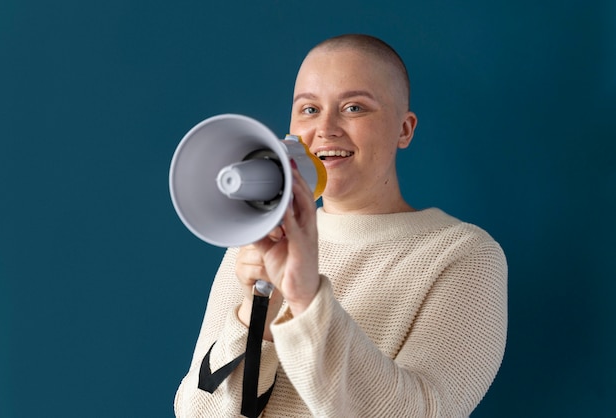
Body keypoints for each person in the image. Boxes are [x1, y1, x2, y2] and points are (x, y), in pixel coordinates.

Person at [174, 34, 507, 417]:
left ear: (404, 129)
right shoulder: (257, 242)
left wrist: (308, 300)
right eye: (309, 110)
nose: (326, 129)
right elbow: (196, 412)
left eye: (354, 107)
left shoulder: (463, 256)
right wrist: (257, 311)